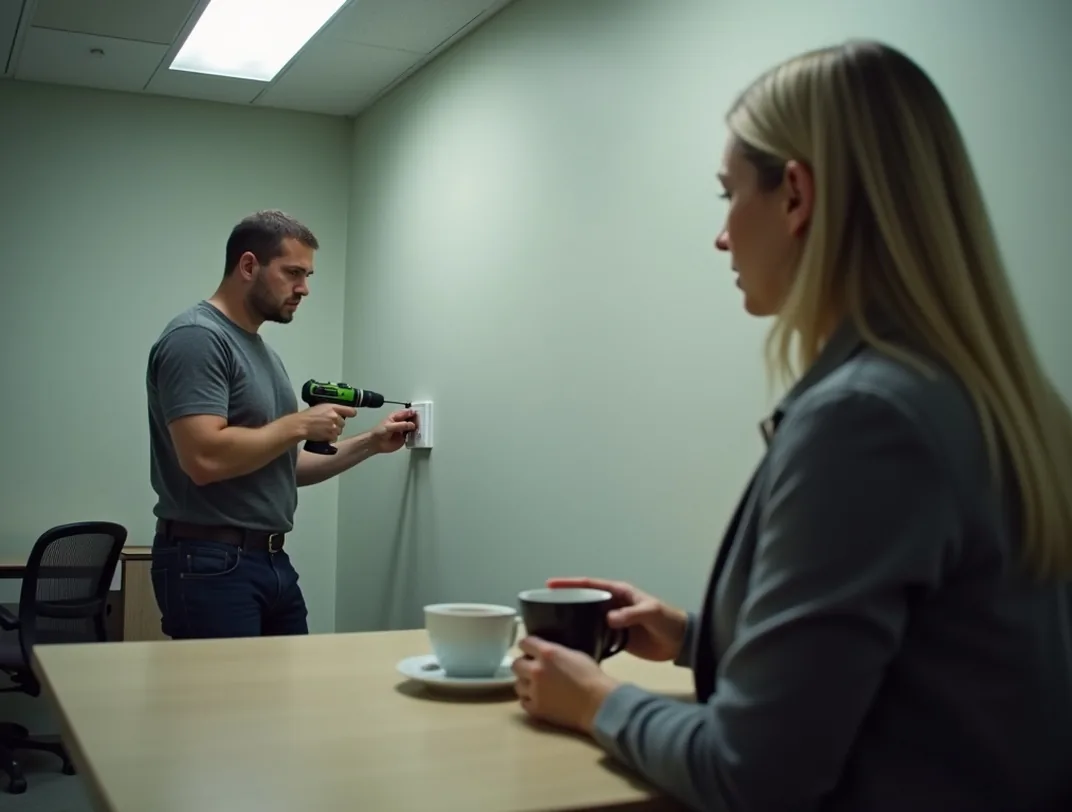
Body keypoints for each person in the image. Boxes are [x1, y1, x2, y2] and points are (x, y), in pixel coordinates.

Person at [511, 40, 1072, 812]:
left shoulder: (865, 419)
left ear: (797, 195)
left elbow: (754, 774)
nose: (722, 235)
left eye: (727, 195)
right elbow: (930, 668)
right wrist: (692, 635)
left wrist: (596, 700)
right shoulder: (1005, 401)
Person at [146, 210, 417, 639]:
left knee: (285, 701)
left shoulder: (264, 354)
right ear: (249, 265)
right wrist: (297, 425)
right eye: (293, 273)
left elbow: (284, 468)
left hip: (270, 562)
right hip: (209, 563)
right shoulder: (197, 338)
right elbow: (202, 458)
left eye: (307, 275)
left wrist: (371, 442)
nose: (304, 289)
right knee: (226, 704)